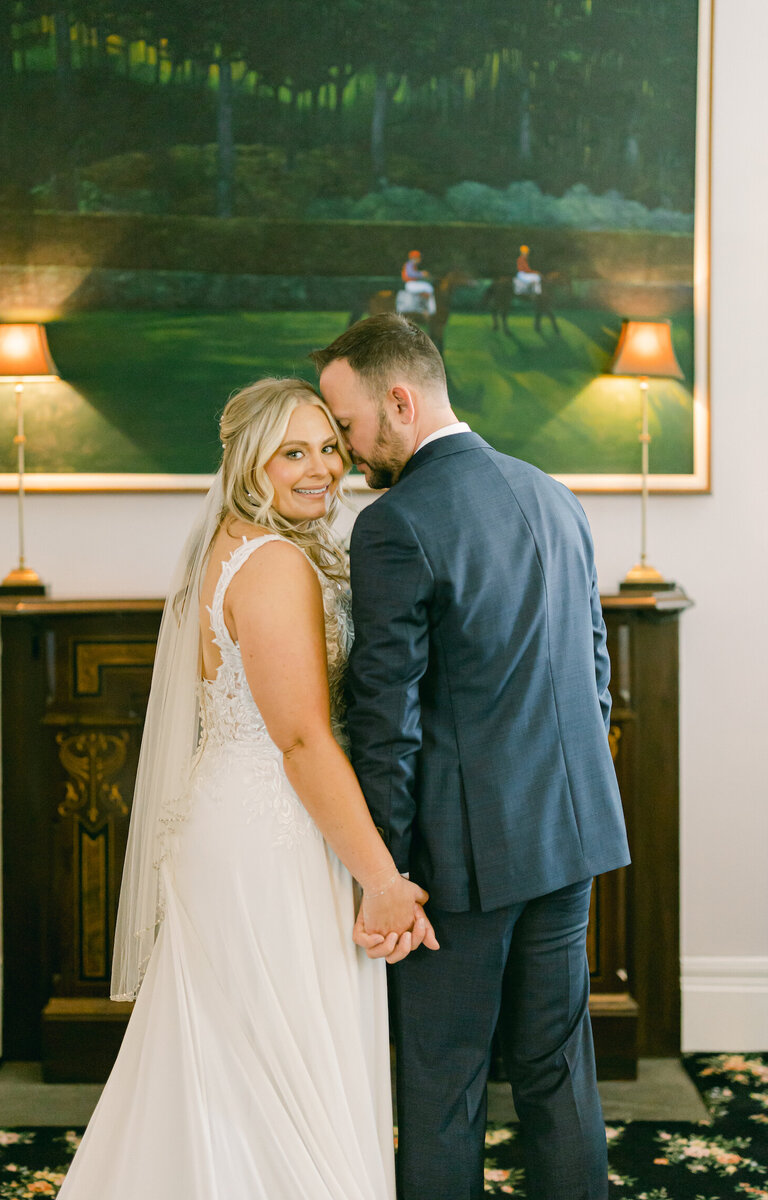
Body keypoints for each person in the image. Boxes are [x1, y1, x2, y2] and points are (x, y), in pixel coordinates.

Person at [57, 377, 437, 1200]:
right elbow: (301, 740)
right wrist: (382, 881)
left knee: (237, 1059)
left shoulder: (230, 548)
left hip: (239, 819)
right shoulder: (272, 566)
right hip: (275, 835)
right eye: (292, 453)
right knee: (282, 1064)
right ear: (246, 462)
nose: (322, 470)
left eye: (329, 448)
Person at [312, 314, 631, 1200]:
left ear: (400, 401)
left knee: (443, 1090)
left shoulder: (396, 523)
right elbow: (594, 672)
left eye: (347, 425)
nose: (346, 450)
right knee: (557, 1073)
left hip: (458, 864)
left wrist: (387, 873)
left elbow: (388, 723)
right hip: (569, 836)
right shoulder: (553, 494)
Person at [400, 249, 437, 315]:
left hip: (412, 284)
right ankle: (431, 310)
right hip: (410, 284)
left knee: (427, 287)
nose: (420, 259)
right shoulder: (409, 264)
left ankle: (425, 307)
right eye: (418, 257)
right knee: (429, 287)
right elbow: (410, 274)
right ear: (414, 258)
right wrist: (422, 274)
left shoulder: (412, 265)